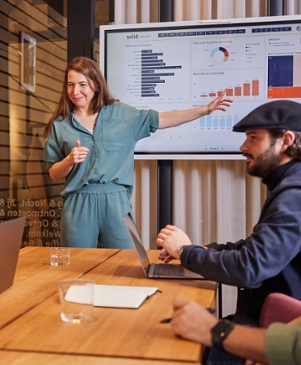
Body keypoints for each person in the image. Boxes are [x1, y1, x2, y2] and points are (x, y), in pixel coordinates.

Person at [167, 58, 301, 365]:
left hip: (270, 324)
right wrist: (202, 251)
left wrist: (215, 330)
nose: (243, 147)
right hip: (276, 327)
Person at [43, 56, 232, 248]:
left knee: (126, 263)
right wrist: (68, 161)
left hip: (116, 201)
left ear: (96, 85)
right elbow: (54, 172)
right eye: (70, 85)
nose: (75, 91)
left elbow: (161, 119)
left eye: (82, 84)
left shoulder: (121, 114)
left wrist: (205, 110)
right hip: (78, 203)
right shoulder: (60, 125)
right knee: (76, 267)